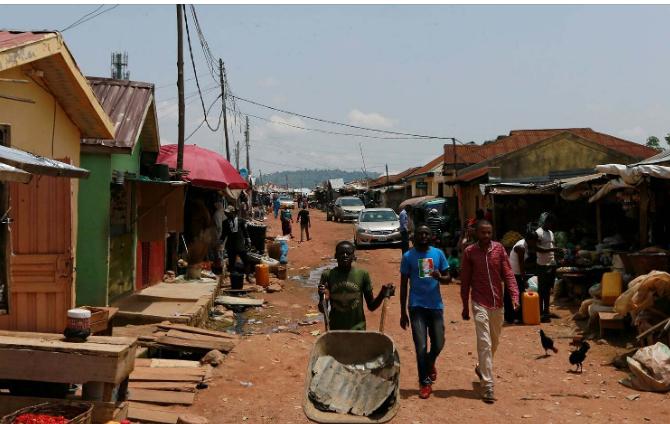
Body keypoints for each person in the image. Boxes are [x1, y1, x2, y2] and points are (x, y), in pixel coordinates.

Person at [460, 220, 519, 403]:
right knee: (484, 343)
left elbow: (508, 273)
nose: (486, 235)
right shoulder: (469, 252)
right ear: (476, 233)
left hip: (498, 303)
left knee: (494, 341)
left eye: (489, 232)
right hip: (479, 302)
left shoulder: (499, 249)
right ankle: (487, 386)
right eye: (483, 232)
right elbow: (465, 281)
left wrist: (515, 295)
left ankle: (481, 368)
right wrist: (465, 305)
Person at [399, 225, 451, 399]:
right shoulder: (408, 257)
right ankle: (424, 382)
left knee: (439, 342)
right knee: (420, 346)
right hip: (416, 307)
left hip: (435, 306)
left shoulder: (438, 254)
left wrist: (440, 277)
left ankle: (430, 362)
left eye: (426, 234)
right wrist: (402, 312)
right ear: (414, 237)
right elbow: (403, 285)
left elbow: (448, 278)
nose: (423, 236)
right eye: (420, 234)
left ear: (431, 236)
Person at [317, 241, 393, 330]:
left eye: (348, 253)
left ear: (353, 257)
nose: (345, 255)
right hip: (335, 330)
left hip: (358, 329)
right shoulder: (327, 275)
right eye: (341, 253)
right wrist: (323, 298)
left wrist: (382, 294)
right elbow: (323, 309)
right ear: (335, 256)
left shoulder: (362, 275)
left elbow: (371, 306)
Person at [505, 231, 539, 323]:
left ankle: (515, 317)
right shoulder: (521, 247)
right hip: (513, 274)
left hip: (515, 273)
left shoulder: (525, 245)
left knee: (517, 295)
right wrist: (524, 280)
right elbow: (521, 265)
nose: (535, 243)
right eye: (534, 241)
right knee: (513, 296)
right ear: (530, 239)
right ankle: (511, 318)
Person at [535, 212, 563, 323]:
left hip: (551, 264)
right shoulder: (538, 233)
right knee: (542, 290)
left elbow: (552, 245)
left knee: (547, 290)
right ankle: (540, 312)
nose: (550, 225)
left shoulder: (550, 233)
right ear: (544, 221)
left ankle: (546, 311)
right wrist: (553, 250)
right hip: (542, 265)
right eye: (549, 222)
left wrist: (557, 252)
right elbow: (537, 248)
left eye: (551, 223)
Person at [220, 206, 254, 283]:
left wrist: (248, 241)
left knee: (246, 261)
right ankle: (234, 280)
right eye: (226, 213)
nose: (227, 214)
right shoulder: (225, 222)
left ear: (233, 213)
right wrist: (220, 242)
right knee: (231, 263)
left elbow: (245, 231)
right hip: (230, 245)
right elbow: (223, 234)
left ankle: (248, 277)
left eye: (228, 213)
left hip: (240, 245)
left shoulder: (240, 221)